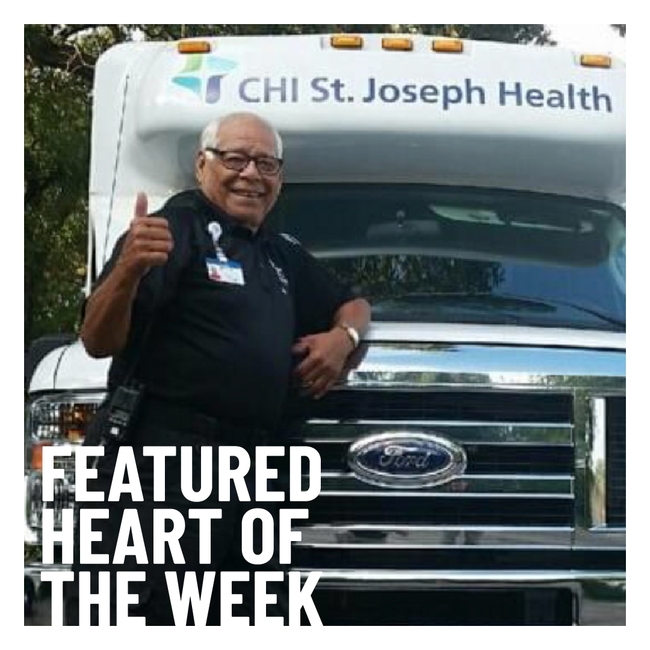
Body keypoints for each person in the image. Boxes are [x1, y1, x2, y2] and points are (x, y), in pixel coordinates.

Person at [65, 111, 371, 625]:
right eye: (235, 158)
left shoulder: (279, 252)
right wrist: (128, 270)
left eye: (266, 164)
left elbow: (353, 302)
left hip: (252, 473)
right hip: (165, 468)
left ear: (279, 179)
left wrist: (344, 339)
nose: (250, 173)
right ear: (202, 165)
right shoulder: (173, 227)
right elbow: (97, 340)